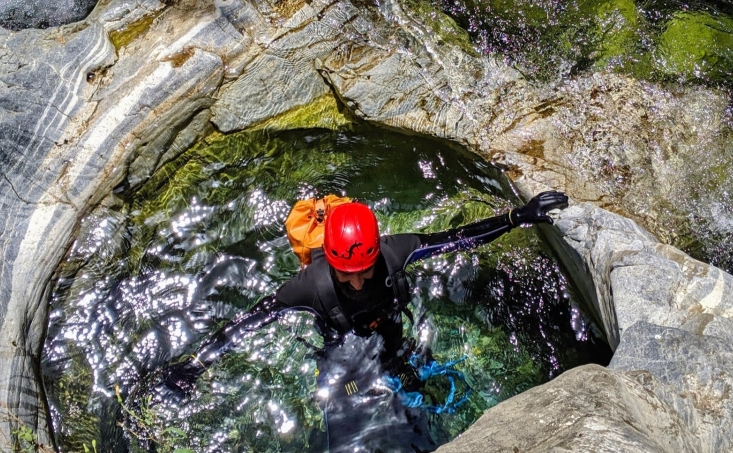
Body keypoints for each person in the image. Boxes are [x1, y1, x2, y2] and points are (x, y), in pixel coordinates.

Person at [161, 190, 569, 451]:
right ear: (330, 262)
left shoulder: (393, 252)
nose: (356, 281)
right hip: (341, 346)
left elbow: (456, 238)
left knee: (416, 389)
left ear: (376, 253)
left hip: (388, 330)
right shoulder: (307, 287)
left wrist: (517, 217)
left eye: (364, 269)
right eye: (345, 272)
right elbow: (250, 321)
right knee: (343, 415)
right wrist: (196, 364)